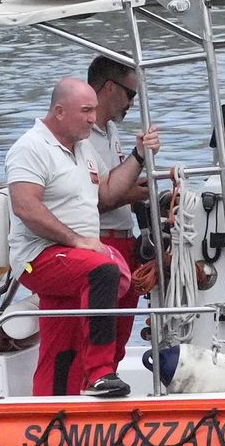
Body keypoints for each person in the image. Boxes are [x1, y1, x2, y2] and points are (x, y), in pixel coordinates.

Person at [6, 77, 161, 397]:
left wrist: (139, 154)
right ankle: (99, 374)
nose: (94, 118)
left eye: (93, 110)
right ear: (59, 112)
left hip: (73, 259)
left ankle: (56, 411)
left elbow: (107, 193)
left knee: (61, 348)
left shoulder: (82, 147)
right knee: (102, 271)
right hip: (39, 256)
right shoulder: (30, 147)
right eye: (86, 111)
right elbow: (25, 207)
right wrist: (75, 240)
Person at [86, 55, 150, 367]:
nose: (132, 104)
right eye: (130, 95)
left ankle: (109, 380)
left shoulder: (109, 131)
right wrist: (132, 188)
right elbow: (103, 196)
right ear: (110, 88)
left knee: (119, 336)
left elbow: (117, 186)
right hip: (102, 243)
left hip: (124, 242)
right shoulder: (83, 138)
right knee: (101, 336)